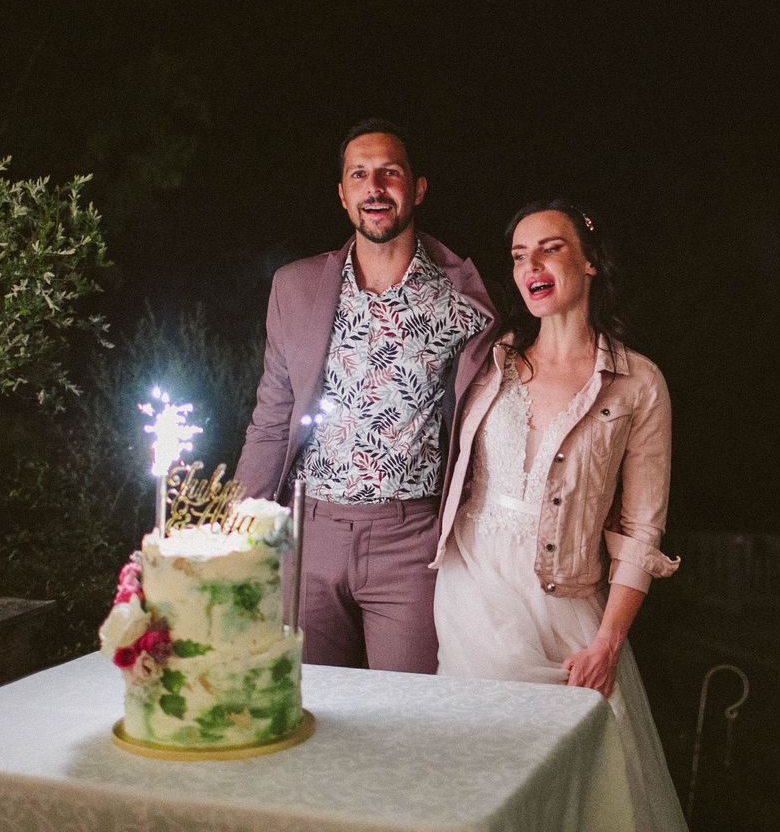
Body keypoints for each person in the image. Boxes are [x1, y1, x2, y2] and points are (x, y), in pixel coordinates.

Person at [431, 199, 687, 832]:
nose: (531, 266)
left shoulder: (638, 383)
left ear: (590, 262)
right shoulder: (490, 360)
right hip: (472, 588)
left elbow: (642, 529)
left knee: (579, 785)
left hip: (568, 601)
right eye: (519, 256)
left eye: (550, 248)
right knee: (478, 774)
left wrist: (607, 642)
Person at [235, 119, 495, 673]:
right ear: (343, 194)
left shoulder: (464, 299)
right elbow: (272, 419)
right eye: (360, 175)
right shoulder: (296, 286)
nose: (375, 187)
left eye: (389, 173)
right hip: (310, 533)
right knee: (305, 710)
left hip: (412, 542)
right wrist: (237, 532)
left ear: (417, 188)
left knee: (407, 720)